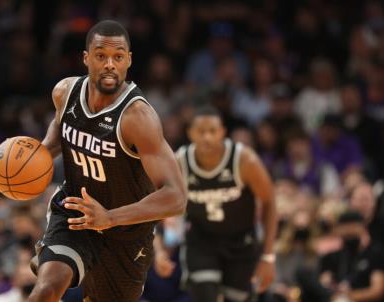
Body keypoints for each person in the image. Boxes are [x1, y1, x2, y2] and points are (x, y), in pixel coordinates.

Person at [27, 20, 186, 302]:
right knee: (46, 291)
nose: (110, 64)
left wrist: (110, 218)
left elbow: (176, 197)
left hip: (125, 233)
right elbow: (57, 135)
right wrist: (30, 160)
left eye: (118, 56)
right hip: (75, 213)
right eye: (101, 56)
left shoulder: (138, 118)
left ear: (129, 60)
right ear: (86, 58)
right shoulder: (65, 93)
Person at [155, 106, 277, 302]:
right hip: (201, 242)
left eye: (212, 131)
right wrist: (159, 249)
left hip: (241, 243)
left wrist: (268, 256)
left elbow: (269, 202)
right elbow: (157, 205)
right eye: (201, 132)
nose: (207, 138)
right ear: (190, 133)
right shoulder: (180, 162)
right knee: (204, 295)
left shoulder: (244, 160)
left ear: (222, 132)